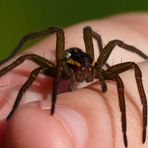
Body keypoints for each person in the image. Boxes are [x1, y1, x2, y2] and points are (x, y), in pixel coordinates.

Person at [0, 12, 148, 148]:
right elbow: (42, 69)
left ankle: (126, 128)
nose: (86, 74)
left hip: (85, 61)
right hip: (68, 63)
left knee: (118, 52)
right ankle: (16, 107)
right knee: (37, 50)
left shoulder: (95, 67)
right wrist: (53, 104)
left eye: (90, 70)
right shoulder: (62, 67)